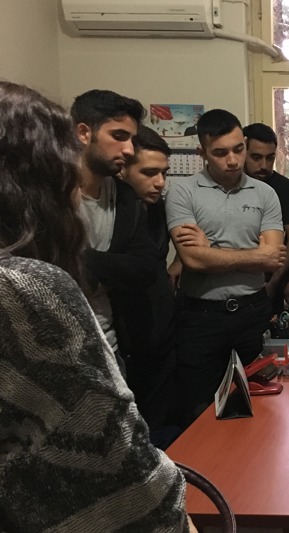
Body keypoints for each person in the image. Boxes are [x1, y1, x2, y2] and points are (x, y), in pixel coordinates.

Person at [0, 81, 193, 532]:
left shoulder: (126, 201)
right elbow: (116, 458)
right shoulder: (28, 285)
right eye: (61, 163)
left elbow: (144, 267)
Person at [165, 109, 286, 423]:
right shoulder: (182, 191)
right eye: (220, 153)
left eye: (238, 149)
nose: (232, 160)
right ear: (202, 153)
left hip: (253, 312)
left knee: (263, 408)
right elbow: (193, 259)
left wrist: (212, 252)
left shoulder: (266, 193)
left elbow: (273, 257)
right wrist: (254, 256)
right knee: (199, 412)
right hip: (201, 317)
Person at [71, 89, 159, 376]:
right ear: (84, 133)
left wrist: (85, 262)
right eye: (119, 136)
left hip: (111, 347)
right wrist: (112, 269)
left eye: (131, 139)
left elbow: (145, 269)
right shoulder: (48, 194)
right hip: (56, 352)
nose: (129, 150)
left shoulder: (126, 198)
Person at [119, 124, 182, 442]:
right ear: (122, 169)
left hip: (162, 328)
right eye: (149, 172)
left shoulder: (157, 206)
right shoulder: (112, 213)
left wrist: (179, 260)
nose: (160, 182)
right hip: (128, 338)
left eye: (164, 173)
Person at [242, 122, 289, 312]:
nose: (264, 165)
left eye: (270, 158)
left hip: (273, 281)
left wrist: (274, 283)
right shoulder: (231, 186)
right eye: (256, 157)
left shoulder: (286, 189)